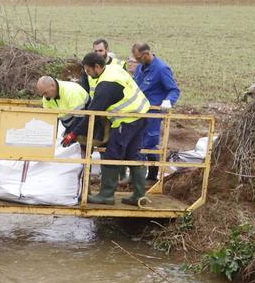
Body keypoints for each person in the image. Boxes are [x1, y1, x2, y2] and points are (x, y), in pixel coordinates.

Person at [61, 52, 151, 205]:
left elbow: (92, 115)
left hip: (126, 120)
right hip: (142, 115)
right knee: (133, 155)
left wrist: (73, 134)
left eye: (89, 71)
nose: (89, 75)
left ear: (97, 67)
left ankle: (106, 195)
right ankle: (139, 195)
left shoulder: (106, 86)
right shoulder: (113, 69)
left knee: (111, 156)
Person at [132, 42, 181, 180]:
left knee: (149, 143)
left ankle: (151, 176)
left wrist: (168, 101)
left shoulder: (161, 69)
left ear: (146, 54)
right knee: (137, 142)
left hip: (152, 113)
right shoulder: (140, 68)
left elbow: (174, 90)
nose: (137, 62)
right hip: (138, 112)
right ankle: (139, 177)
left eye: (138, 58)